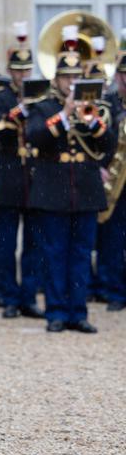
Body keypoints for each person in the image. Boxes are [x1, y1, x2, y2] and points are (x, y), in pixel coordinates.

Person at [25, 32, 114, 332]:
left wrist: (93, 122)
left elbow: (108, 144)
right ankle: (57, 312)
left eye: (76, 77)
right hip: (54, 188)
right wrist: (64, 114)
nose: (72, 82)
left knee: (81, 254)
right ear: (57, 79)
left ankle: (79, 312)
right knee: (55, 253)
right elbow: (35, 137)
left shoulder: (93, 108)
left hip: (85, 189)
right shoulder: (44, 106)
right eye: (67, 77)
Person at [0, 23, 45, 319]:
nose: (22, 75)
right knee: (5, 243)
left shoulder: (41, 95)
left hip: (33, 174)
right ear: (10, 71)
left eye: (26, 70)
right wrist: (20, 110)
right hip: (8, 173)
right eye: (18, 70)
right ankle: (8, 295)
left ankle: (28, 296)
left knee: (34, 241)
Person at [96, 51, 126, 312]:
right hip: (114, 178)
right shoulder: (107, 103)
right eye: (124, 75)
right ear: (117, 76)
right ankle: (113, 291)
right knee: (112, 238)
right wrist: (98, 166)